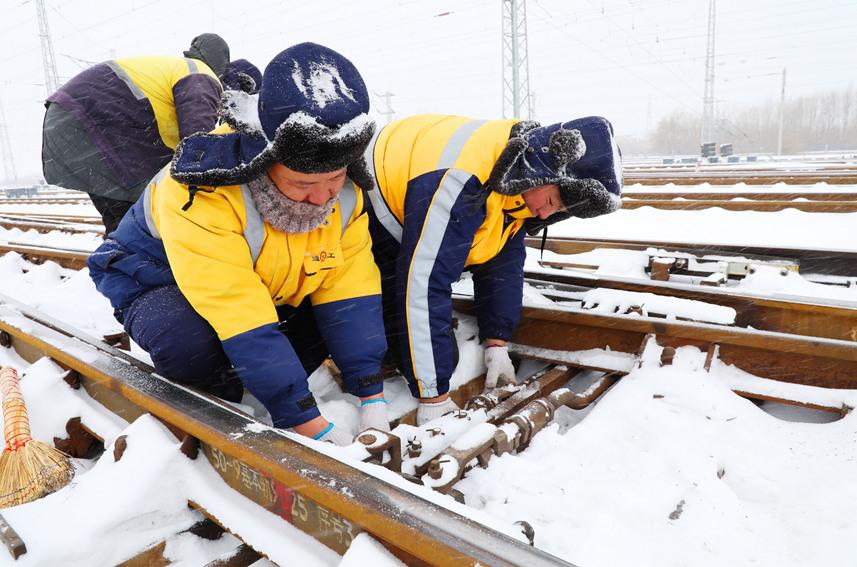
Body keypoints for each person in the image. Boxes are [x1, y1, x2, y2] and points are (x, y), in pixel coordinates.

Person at [87, 42, 387, 445]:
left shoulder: (346, 195)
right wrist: (311, 425)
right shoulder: (205, 189)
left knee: (317, 331)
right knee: (188, 345)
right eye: (303, 184)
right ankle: (224, 401)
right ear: (265, 160)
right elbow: (236, 305)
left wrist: (372, 394)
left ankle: (257, 377)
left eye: (334, 179)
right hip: (157, 276)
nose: (322, 198)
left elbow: (350, 291)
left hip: (257, 280)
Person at [363, 115, 623, 424]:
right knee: (395, 328)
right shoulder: (463, 182)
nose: (545, 212)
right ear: (543, 171)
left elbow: (502, 261)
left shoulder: (519, 177)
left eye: (559, 211)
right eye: (552, 200)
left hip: (422, 189)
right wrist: (433, 396)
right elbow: (424, 282)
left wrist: (496, 341)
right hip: (374, 197)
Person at [41, 33, 230, 233]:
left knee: (124, 217)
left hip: (69, 120)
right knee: (141, 217)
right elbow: (197, 142)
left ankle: (120, 257)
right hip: (92, 122)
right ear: (220, 66)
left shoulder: (175, 72)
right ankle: (132, 257)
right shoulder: (200, 73)